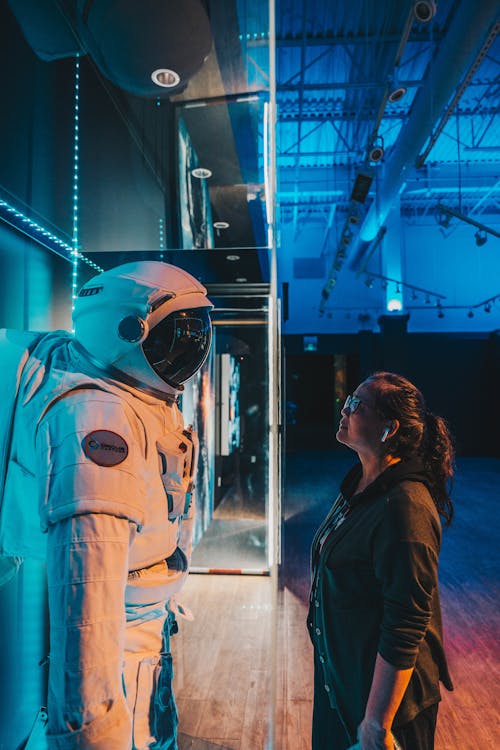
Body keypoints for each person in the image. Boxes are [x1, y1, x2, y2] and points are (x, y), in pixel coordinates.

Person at [3, 260, 212, 749]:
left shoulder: (128, 395)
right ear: (127, 330)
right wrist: (90, 733)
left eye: (198, 333)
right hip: (122, 658)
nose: (194, 349)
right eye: (180, 334)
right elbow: (87, 605)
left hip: (145, 633)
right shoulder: (96, 417)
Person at [308, 371, 454, 750]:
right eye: (348, 399)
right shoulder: (361, 484)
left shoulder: (404, 506)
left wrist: (376, 723)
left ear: (389, 429)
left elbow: (406, 622)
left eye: (357, 404)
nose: (345, 407)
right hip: (345, 683)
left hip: (385, 710)